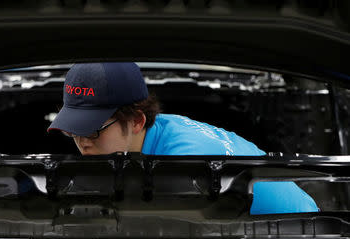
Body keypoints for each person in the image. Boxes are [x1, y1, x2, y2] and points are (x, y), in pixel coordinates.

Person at [48, 62, 319, 215]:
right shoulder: (161, 129)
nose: (82, 141)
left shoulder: (185, 163)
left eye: (92, 129)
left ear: (137, 121)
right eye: (74, 130)